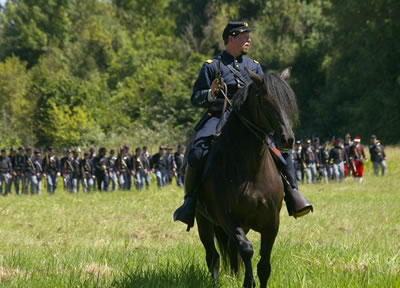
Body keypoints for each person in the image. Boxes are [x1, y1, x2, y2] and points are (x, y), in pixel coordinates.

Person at [174, 21, 312, 228]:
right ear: (231, 38)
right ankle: (190, 201)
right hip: (218, 117)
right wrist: (211, 93)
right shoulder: (212, 65)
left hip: (250, 122)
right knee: (197, 151)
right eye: (244, 36)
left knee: (281, 151)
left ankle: (292, 193)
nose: (249, 40)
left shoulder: (254, 66)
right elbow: (195, 98)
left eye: (249, 36)